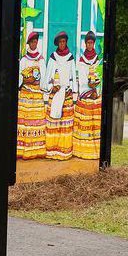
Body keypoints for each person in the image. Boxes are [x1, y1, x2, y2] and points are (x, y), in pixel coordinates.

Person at [43, 32, 78, 160]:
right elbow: (48, 75)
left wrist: (71, 89)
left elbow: (73, 75)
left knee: (65, 122)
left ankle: (64, 151)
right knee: (54, 122)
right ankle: (52, 150)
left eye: (64, 41)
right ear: (57, 43)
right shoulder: (53, 57)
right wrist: (51, 87)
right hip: (55, 92)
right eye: (60, 42)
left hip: (66, 93)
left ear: (66, 42)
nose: (62, 44)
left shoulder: (70, 57)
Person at [17, 32, 47, 160]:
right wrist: (25, 80)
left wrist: (38, 83)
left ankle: (36, 149)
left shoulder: (40, 59)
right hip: (26, 94)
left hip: (36, 94)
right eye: (32, 42)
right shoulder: (24, 59)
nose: (34, 44)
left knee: (35, 121)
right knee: (25, 121)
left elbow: (43, 76)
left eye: (35, 42)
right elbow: (20, 75)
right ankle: (24, 149)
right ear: (29, 43)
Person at [77, 31, 100, 96]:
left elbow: (98, 73)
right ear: (85, 44)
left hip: (95, 87)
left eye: (91, 43)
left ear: (94, 43)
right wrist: (89, 83)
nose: (90, 45)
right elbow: (82, 77)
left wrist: (95, 81)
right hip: (85, 89)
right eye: (88, 43)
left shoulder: (96, 58)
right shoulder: (82, 59)